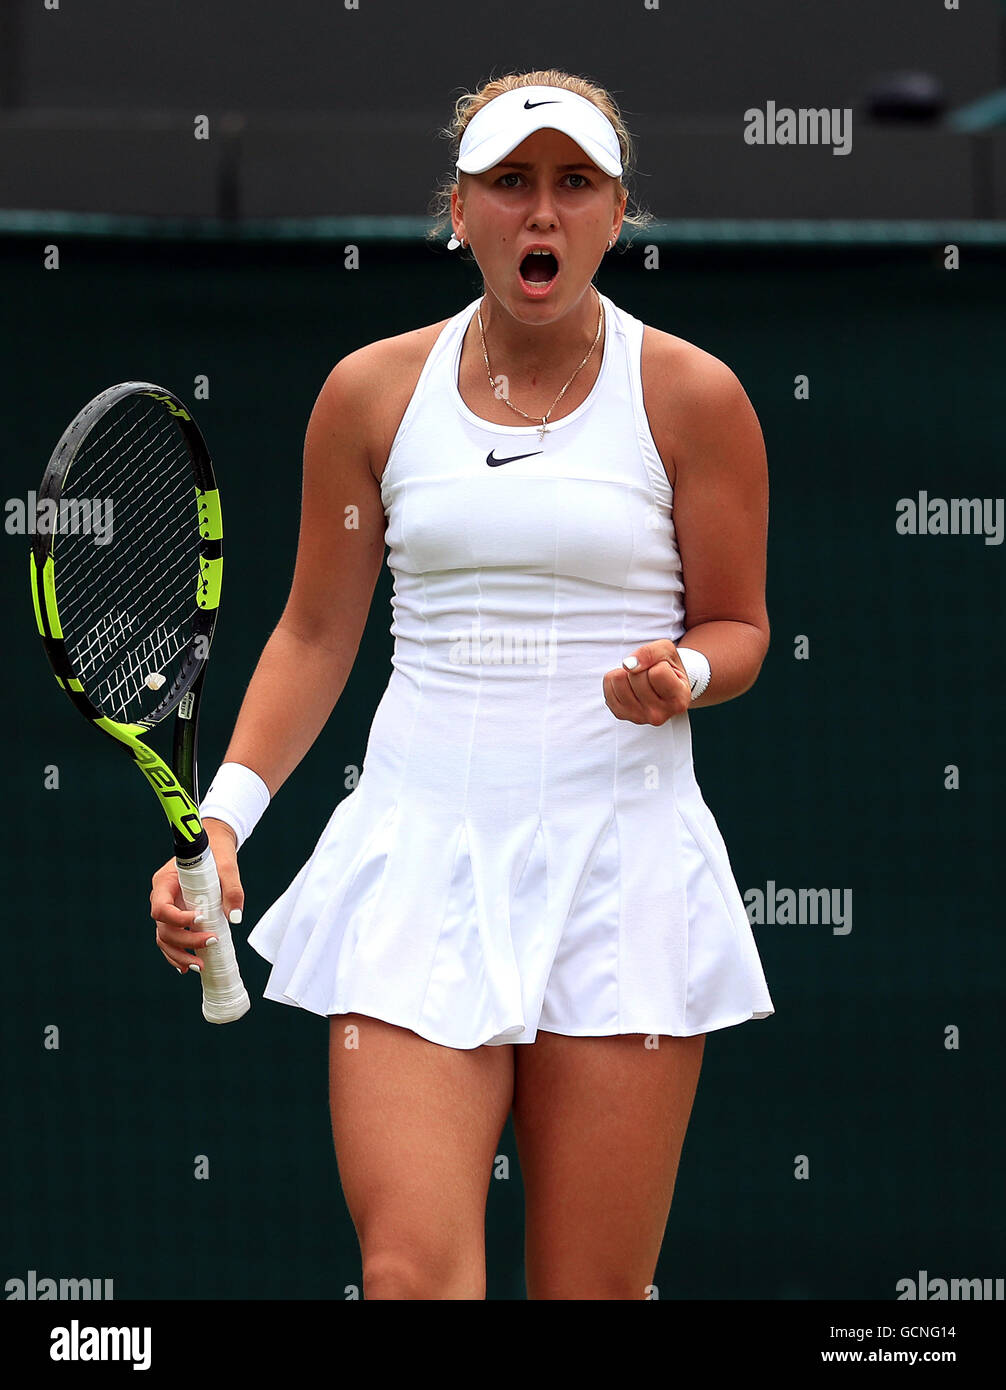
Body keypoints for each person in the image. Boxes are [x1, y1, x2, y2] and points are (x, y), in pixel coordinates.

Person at [151, 67, 774, 1301]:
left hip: (624, 874)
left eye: (572, 184)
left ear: (615, 213)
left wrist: (685, 670)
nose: (540, 214)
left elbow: (740, 624)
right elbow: (317, 633)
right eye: (509, 183)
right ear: (459, 208)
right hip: (417, 864)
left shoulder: (695, 397)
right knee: (408, 1277)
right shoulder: (371, 393)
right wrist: (224, 822)